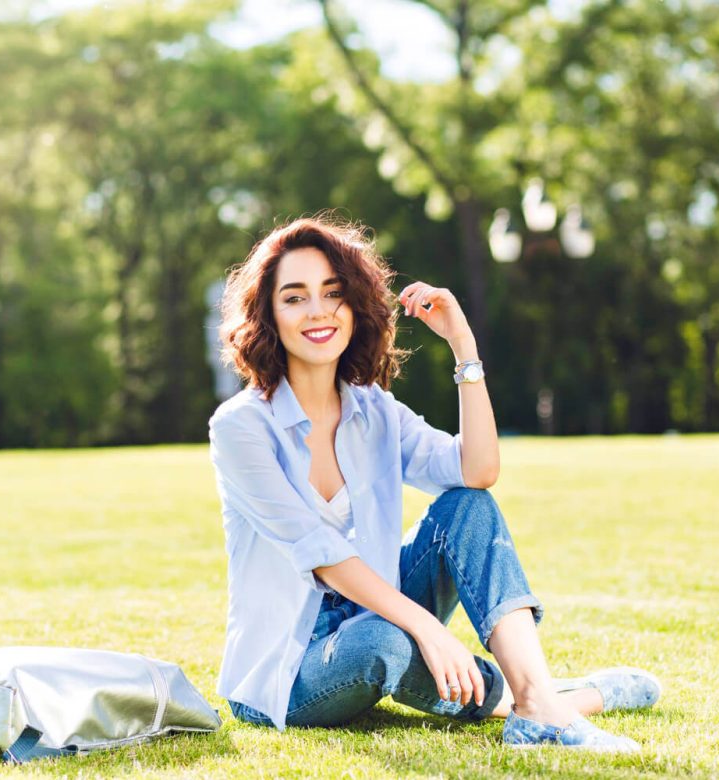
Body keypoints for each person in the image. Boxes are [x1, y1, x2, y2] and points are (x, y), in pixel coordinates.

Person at [208, 215, 659, 750]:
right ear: (269, 315)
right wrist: (428, 627)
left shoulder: (375, 410)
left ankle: (538, 702)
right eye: (295, 297)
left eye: (332, 292)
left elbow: (477, 471)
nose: (318, 311)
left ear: (354, 304)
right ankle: (557, 699)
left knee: (467, 507)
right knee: (384, 642)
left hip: (379, 612)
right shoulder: (239, 427)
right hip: (287, 670)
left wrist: (463, 348)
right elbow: (322, 554)